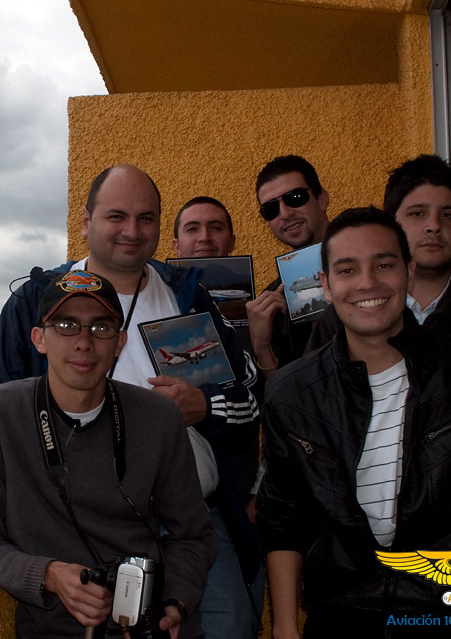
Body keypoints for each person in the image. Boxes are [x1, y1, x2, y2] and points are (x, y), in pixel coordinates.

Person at [0, 164, 262, 637]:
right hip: (73, 533)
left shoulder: (189, 299)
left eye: (145, 218)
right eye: (117, 216)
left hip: (192, 530)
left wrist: (205, 406)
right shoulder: (36, 303)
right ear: (86, 222)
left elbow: (249, 404)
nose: (132, 231)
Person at [258, 206, 451, 638]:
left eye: (384, 265)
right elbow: (283, 521)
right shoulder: (291, 395)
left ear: (408, 271)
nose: (367, 283)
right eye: (347, 270)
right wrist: (286, 629)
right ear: (326, 285)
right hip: (340, 619)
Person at [0, 270, 217, 638]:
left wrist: (174, 602)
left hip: (150, 624)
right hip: (53, 629)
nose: (83, 342)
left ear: (119, 342)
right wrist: (49, 574)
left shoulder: (158, 417)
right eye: (66, 325)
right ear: (38, 338)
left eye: (101, 327)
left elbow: (193, 534)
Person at [306, 155, 451, 372]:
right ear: (392, 224)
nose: (434, 225)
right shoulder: (340, 319)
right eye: (418, 213)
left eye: (447, 214)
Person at [172, 195, 264, 638]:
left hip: (236, 505)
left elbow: (272, 410)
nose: (204, 238)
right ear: (175, 243)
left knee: (237, 620)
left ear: (232, 238)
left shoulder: (265, 307)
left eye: (215, 227)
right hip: (184, 501)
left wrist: (259, 488)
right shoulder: (168, 312)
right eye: (192, 228)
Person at [247, 155, 330, 374]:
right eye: (270, 209)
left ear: (322, 199)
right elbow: (280, 391)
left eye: (295, 197)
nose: (284, 214)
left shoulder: (370, 266)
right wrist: (261, 346)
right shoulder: (274, 302)